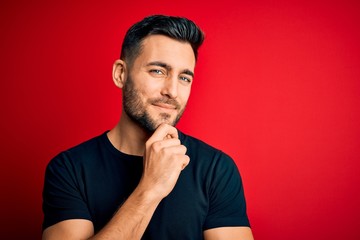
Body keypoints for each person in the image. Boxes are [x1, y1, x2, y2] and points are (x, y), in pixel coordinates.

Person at [42, 15, 254, 240]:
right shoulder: (69, 169)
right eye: (158, 71)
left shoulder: (216, 169)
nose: (172, 91)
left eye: (184, 77)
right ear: (120, 74)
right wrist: (151, 188)